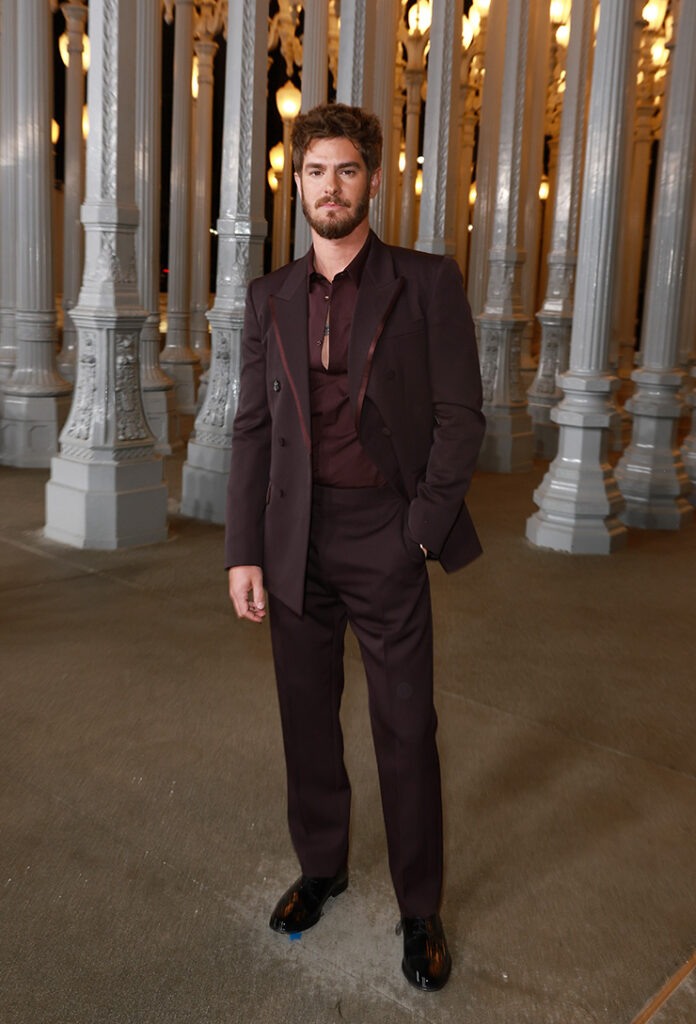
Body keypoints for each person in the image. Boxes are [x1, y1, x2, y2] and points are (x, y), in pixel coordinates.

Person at [225, 103, 484, 992]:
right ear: (294, 183)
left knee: (406, 728)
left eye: (344, 170)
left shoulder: (426, 281)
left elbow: (460, 419)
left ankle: (420, 907)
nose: (328, 188)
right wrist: (242, 551)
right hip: (293, 535)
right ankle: (323, 865)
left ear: (373, 179)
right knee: (307, 718)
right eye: (313, 172)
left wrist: (420, 530)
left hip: (387, 534)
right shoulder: (270, 297)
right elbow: (251, 430)